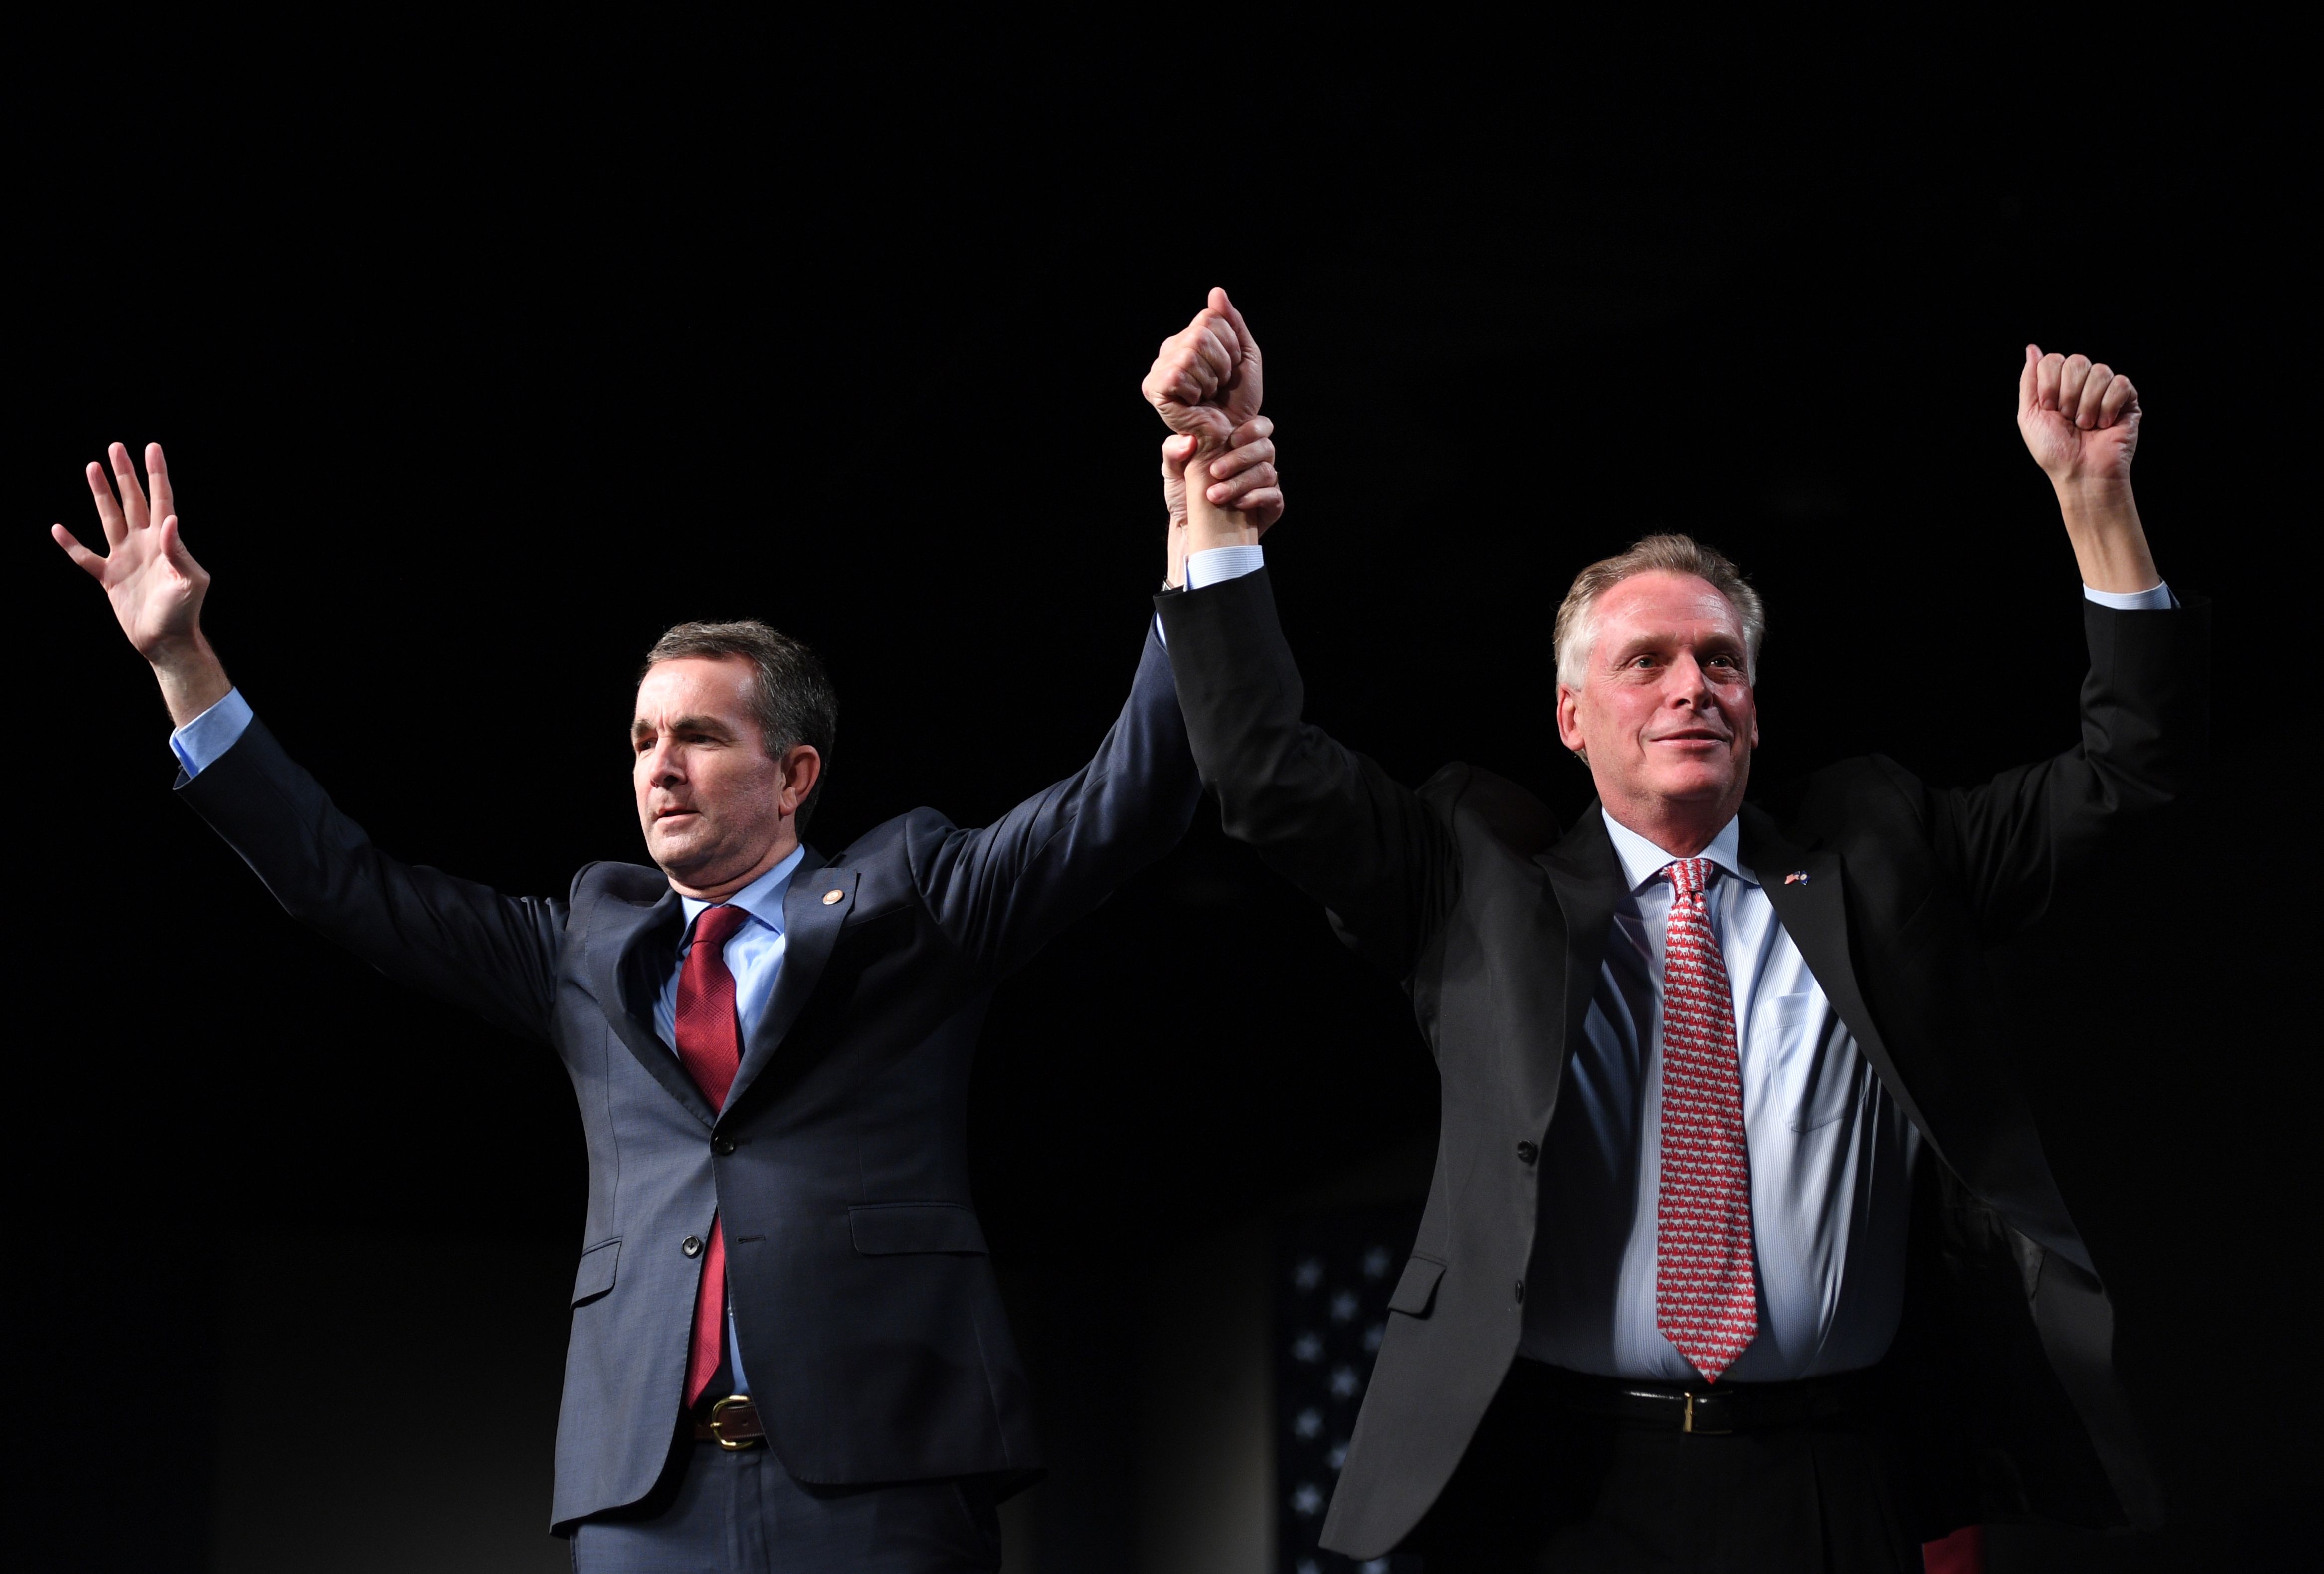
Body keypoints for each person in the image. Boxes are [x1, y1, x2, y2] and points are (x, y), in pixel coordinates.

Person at [48, 297, 1282, 1572]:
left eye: (697, 736)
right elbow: (342, 884)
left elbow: (1126, 797)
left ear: (794, 774)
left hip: (880, 1481)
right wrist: (182, 663)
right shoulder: (587, 944)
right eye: (642, 740)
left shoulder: (911, 899)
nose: (660, 769)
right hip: (647, 1498)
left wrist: (1203, 533)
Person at [1146, 326, 2204, 1571]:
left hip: (1831, 1476)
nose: (1688, 688)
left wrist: (2096, 505)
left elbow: (2129, 770)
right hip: (1563, 1487)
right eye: (1642, 663)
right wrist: (1215, 519)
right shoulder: (1471, 878)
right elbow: (1265, 775)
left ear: (1755, 710)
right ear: (1570, 716)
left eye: (1720, 662)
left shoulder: (1887, 856)